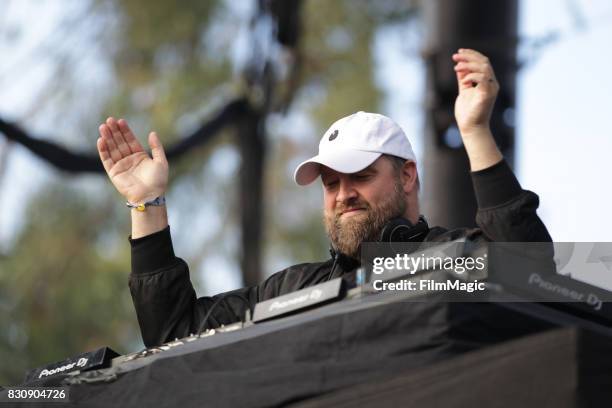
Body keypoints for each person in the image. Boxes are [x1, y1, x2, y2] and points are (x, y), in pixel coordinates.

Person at [97, 49, 551, 347]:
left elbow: (531, 270)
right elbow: (173, 334)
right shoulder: (293, 288)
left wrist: (473, 131)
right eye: (330, 183)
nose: (342, 195)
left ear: (407, 176)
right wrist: (147, 203)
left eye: (359, 176)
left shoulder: (454, 257)